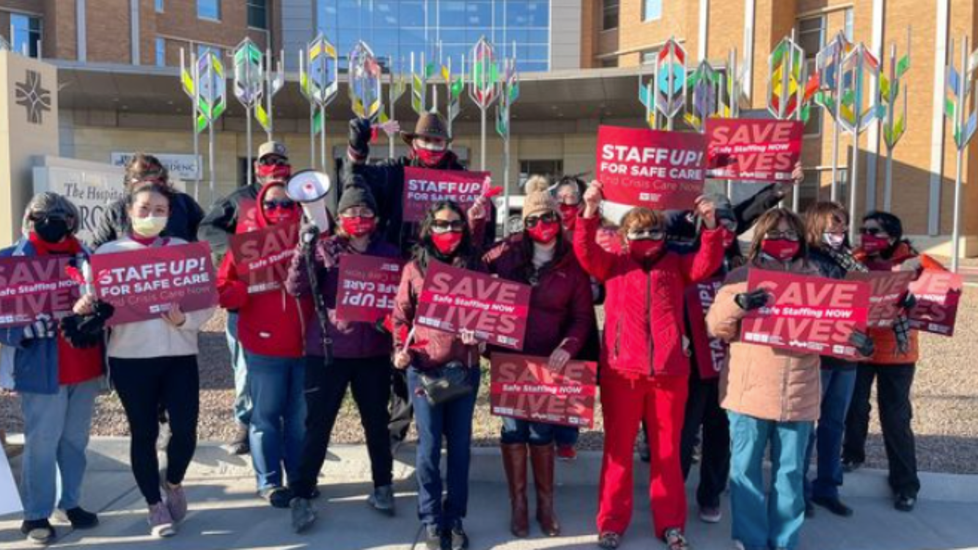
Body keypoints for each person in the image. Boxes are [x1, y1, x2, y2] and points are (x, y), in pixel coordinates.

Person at [705, 208, 872, 550]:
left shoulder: (818, 280)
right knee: (745, 471)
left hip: (799, 395)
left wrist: (859, 344)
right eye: (776, 234)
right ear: (762, 237)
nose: (784, 241)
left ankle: (784, 540)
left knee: (790, 474)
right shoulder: (741, 275)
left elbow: (839, 336)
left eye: (791, 235)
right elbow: (717, 325)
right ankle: (750, 539)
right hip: (749, 392)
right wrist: (738, 303)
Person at [575, 181, 727, 550]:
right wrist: (590, 210)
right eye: (638, 231)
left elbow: (708, 262)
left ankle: (671, 524)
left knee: (667, 454)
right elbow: (584, 251)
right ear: (625, 236)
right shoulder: (613, 265)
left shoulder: (677, 265)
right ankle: (611, 523)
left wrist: (709, 225)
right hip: (621, 374)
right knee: (617, 451)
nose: (647, 236)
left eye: (654, 230)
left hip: (669, 375)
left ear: (664, 234)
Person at [344, 113, 495, 453]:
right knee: (402, 345)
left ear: (447, 144)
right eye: (425, 140)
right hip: (401, 273)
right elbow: (355, 182)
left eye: (438, 141)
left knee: (443, 348)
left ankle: (443, 429)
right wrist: (357, 147)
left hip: (448, 277)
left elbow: (482, 234)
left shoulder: (464, 180)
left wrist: (481, 215)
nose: (431, 147)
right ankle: (396, 430)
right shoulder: (396, 171)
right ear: (413, 143)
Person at [91, 180, 215, 538]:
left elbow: (206, 302)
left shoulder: (184, 250)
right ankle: (153, 505)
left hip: (178, 355)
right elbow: (94, 303)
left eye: (159, 210)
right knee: (143, 433)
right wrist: (89, 307)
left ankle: (173, 481)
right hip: (131, 358)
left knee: (186, 431)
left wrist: (185, 321)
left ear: (169, 215)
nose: (151, 215)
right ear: (129, 211)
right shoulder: (108, 254)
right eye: (144, 208)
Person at [483, 182, 596, 538]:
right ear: (524, 223)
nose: (543, 224)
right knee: (513, 429)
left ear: (559, 218)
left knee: (541, 431)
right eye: (534, 219)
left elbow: (581, 317)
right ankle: (519, 504)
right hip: (510, 360)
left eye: (549, 216)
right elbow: (471, 270)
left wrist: (570, 345)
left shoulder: (572, 262)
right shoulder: (506, 254)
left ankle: (546, 505)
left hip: (549, 363)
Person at [287, 183, 401, 533]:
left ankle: (383, 486)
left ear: (377, 218)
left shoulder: (391, 253)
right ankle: (302, 494)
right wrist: (301, 249)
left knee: (376, 424)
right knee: (317, 426)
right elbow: (295, 288)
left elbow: (402, 298)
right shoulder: (324, 249)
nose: (359, 218)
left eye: (365, 213)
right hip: (328, 351)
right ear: (340, 218)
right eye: (351, 213)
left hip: (374, 354)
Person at [0, 194, 106, 544]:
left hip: (84, 364)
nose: (52, 221)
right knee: (41, 443)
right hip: (42, 369)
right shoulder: (9, 262)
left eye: (60, 215)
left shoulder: (88, 258)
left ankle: (70, 502)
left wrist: (103, 313)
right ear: (29, 219)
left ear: (72, 220)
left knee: (75, 441)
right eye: (42, 216)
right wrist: (23, 330)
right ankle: (36, 515)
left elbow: (115, 300)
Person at [391, 198, 489, 550]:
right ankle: (432, 520)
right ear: (429, 228)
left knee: (460, 449)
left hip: (463, 370)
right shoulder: (414, 269)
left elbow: (490, 316)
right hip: (425, 371)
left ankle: (455, 518)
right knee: (429, 449)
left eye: (456, 225)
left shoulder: (475, 268)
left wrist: (480, 335)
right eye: (443, 224)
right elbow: (401, 318)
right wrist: (399, 351)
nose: (450, 231)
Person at [216, 180, 311, 508]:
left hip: (304, 347)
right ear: (260, 207)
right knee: (266, 417)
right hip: (264, 348)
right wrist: (243, 293)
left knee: (298, 420)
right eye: (271, 205)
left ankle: (299, 479)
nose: (280, 210)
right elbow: (222, 285)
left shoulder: (310, 237)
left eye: (287, 204)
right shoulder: (246, 245)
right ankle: (269, 482)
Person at [842, 211, 944, 512]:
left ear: (893, 235)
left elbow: (943, 293)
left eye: (874, 230)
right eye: (863, 229)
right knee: (855, 407)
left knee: (896, 419)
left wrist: (914, 292)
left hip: (897, 353)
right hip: (861, 346)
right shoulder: (855, 259)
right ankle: (852, 454)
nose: (866, 235)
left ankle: (905, 484)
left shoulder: (916, 262)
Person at [199, 141, 292, 455]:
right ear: (257, 166)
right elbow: (206, 228)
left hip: (287, 303)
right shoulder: (239, 199)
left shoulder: (299, 197)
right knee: (245, 366)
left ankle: (278, 426)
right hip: (248, 299)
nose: (274, 165)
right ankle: (244, 422)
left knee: (287, 369)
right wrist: (238, 254)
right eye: (268, 160)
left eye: (280, 159)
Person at [800, 202, 864, 518]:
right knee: (806, 426)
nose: (838, 233)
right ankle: (798, 490)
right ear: (814, 225)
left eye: (841, 227)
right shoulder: (806, 260)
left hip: (846, 355)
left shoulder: (851, 260)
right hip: (817, 355)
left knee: (834, 424)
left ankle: (828, 486)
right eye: (831, 227)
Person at [550, 174, 603, 461]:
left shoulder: (598, 231)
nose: (565, 204)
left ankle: (568, 438)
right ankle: (545, 430)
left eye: (571, 199)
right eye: (560, 199)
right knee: (544, 373)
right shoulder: (545, 226)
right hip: (548, 312)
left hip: (579, 313)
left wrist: (596, 286)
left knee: (573, 375)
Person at [91, 153, 205, 248]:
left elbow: (205, 235)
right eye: (142, 178)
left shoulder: (184, 203)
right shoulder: (115, 211)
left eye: (156, 178)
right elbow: (98, 248)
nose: (150, 183)